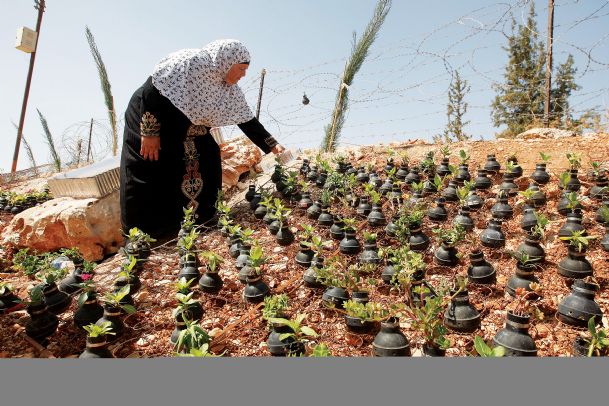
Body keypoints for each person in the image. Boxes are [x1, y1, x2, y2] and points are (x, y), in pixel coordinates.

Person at [119, 39, 284, 240]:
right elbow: (151, 90)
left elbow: (246, 119)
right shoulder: (188, 63)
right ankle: (144, 234)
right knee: (149, 166)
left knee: (207, 155)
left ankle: (201, 218)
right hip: (149, 117)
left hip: (185, 127)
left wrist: (272, 144)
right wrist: (150, 132)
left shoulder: (227, 88)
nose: (243, 75)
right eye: (241, 69)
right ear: (226, 62)